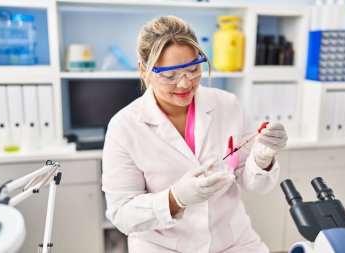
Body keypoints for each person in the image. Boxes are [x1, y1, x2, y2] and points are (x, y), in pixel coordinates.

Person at [102, 15, 288, 253]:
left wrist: (263, 161)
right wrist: (175, 198)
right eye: (169, 76)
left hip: (233, 242)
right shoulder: (124, 127)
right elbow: (121, 214)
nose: (184, 84)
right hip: (162, 246)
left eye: (193, 69)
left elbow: (254, 183)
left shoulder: (228, 105)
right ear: (144, 70)